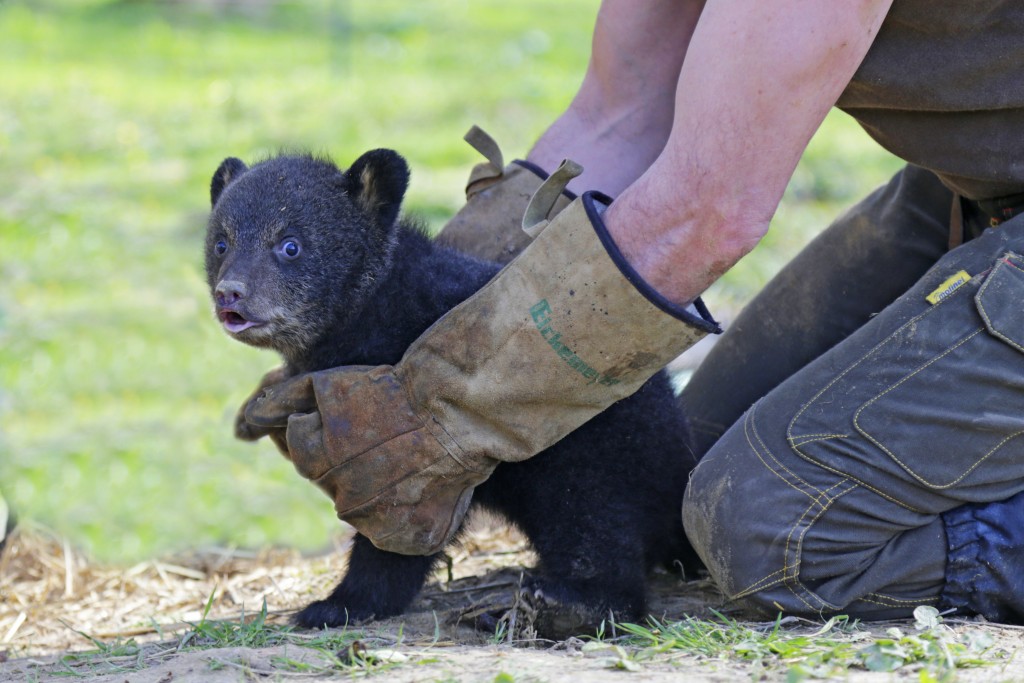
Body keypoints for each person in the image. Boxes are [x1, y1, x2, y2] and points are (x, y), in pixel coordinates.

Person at [241, 0, 1024, 623]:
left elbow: (710, 208)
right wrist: (436, 311)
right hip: (963, 194)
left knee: (765, 529)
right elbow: (622, 112)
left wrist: (445, 405)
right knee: (684, 492)